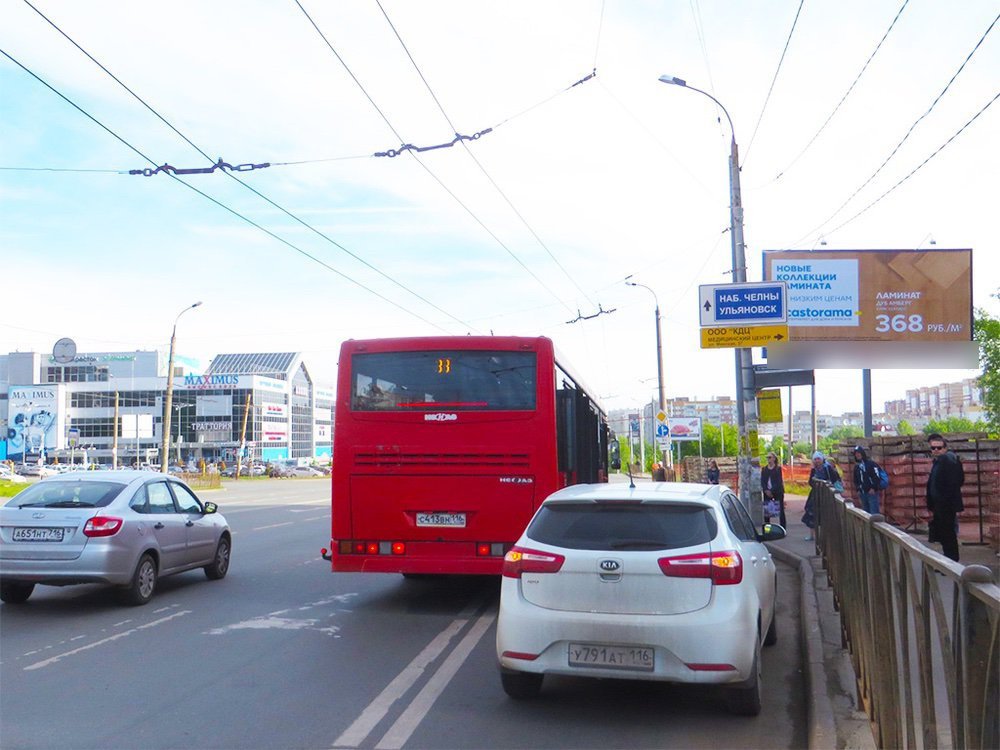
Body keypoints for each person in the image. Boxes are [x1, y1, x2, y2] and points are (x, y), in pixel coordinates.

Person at [925, 433, 964, 562]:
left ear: (945, 448)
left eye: (939, 448)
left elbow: (956, 481)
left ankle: (951, 561)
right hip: (939, 504)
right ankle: (949, 560)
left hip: (946, 504)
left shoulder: (948, 460)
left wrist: (944, 499)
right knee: (944, 533)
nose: (936, 450)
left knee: (948, 534)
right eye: (933, 448)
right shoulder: (939, 462)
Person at [852, 445, 883, 515]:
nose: (857, 455)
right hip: (862, 493)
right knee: (865, 514)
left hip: (871, 493)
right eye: (856, 454)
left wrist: (873, 488)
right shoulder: (857, 467)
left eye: (859, 453)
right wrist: (858, 489)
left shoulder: (871, 464)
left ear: (862, 453)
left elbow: (877, 477)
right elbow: (855, 480)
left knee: (874, 513)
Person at [760, 451, 786, 527]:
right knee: (767, 511)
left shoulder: (778, 469)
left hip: (778, 491)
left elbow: (779, 481)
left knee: (780, 510)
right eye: (767, 457)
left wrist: (771, 491)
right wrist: (766, 490)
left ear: (774, 459)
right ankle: (767, 529)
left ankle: (783, 528)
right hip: (767, 492)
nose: (768, 459)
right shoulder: (764, 469)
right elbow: (762, 481)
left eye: (770, 457)